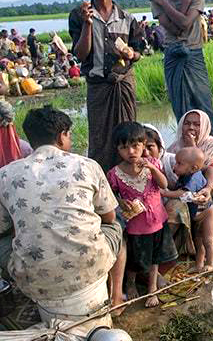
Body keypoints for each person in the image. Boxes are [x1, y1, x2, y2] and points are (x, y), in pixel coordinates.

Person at [0, 106, 125, 332]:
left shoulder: (5, 174)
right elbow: (109, 216)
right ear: (61, 136)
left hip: (33, 280)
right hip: (91, 268)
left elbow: (2, 227)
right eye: (68, 135)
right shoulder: (86, 165)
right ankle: (116, 293)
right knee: (116, 224)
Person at [69, 0, 145, 171]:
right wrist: (87, 24)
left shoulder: (127, 18)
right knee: (99, 137)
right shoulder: (78, 15)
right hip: (98, 85)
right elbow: (81, 54)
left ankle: (130, 179)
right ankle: (102, 182)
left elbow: (139, 52)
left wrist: (131, 53)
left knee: (129, 135)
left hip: (123, 82)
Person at [150, 0, 213, 135]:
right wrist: (170, 2)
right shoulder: (157, 1)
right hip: (173, 55)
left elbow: (184, 24)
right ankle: (188, 152)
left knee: (203, 102)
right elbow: (174, 30)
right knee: (180, 106)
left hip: (194, 53)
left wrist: (167, 3)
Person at [106, 122, 175, 308]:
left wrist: (152, 169)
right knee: (135, 258)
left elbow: (163, 184)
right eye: (124, 147)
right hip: (136, 225)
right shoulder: (115, 174)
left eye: (135, 146)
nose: (131, 151)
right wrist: (120, 202)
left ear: (144, 144)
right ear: (118, 149)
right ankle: (130, 282)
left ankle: (152, 289)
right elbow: (109, 194)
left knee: (155, 258)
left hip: (157, 221)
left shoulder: (152, 164)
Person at [164, 110, 213, 256]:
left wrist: (193, 147)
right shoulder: (175, 147)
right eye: (187, 123)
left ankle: (206, 232)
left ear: (204, 126)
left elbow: (212, 167)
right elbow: (172, 173)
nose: (191, 127)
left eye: (196, 124)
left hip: (207, 184)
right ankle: (187, 239)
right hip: (183, 186)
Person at [165, 147, 213, 272]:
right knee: (197, 241)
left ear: (193, 168)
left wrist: (163, 193)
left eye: (179, 164)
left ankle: (210, 263)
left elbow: (180, 193)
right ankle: (199, 264)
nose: (175, 166)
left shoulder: (193, 178)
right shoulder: (186, 174)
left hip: (206, 214)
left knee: (208, 240)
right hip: (196, 214)